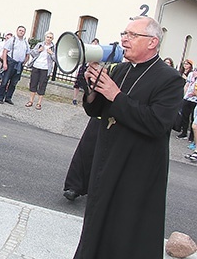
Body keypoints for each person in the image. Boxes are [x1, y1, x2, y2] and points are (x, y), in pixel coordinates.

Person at [74, 16, 184, 258]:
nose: (124, 39)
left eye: (132, 35)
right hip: (107, 160)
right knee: (97, 223)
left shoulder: (170, 79)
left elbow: (157, 123)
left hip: (138, 171)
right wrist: (92, 90)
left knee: (125, 231)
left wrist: (116, 95)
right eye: (124, 33)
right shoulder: (120, 70)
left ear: (152, 42)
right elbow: (95, 111)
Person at [0, 25, 30, 104]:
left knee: (14, 82)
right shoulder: (12, 40)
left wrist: (23, 62)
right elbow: (5, 51)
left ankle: (8, 97)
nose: (21, 32)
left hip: (19, 65)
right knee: (5, 81)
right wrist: (5, 63)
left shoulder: (26, 43)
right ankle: (1, 97)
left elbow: (28, 54)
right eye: (20, 30)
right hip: (11, 63)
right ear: (17, 31)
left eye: (23, 31)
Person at [25, 31, 55, 110]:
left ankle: (39, 103)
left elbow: (56, 59)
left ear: (52, 39)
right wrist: (39, 50)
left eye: (50, 37)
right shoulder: (40, 45)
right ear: (45, 37)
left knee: (42, 85)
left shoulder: (53, 47)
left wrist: (51, 53)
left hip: (45, 68)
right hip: (36, 66)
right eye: (47, 37)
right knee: (33, 83)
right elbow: (32, 53)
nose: (49, 39)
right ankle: (31, 101)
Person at [72, 38, 99, 105]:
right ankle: (74, 99)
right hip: (84, 66)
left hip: (90, 67)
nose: (94, 44)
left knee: (87, 84)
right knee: (77, 83)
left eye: (96, 43)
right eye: (93, 42)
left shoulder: (98, 52)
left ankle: (86, 100)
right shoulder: (87, 49)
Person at [176, 66, 197, 140]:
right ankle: (184, 132)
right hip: (187, 98)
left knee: (193, 118)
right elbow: (187, 85)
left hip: (195, 100)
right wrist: (185, 95)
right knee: (185, 116)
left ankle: (192, 137)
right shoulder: (191, 74)